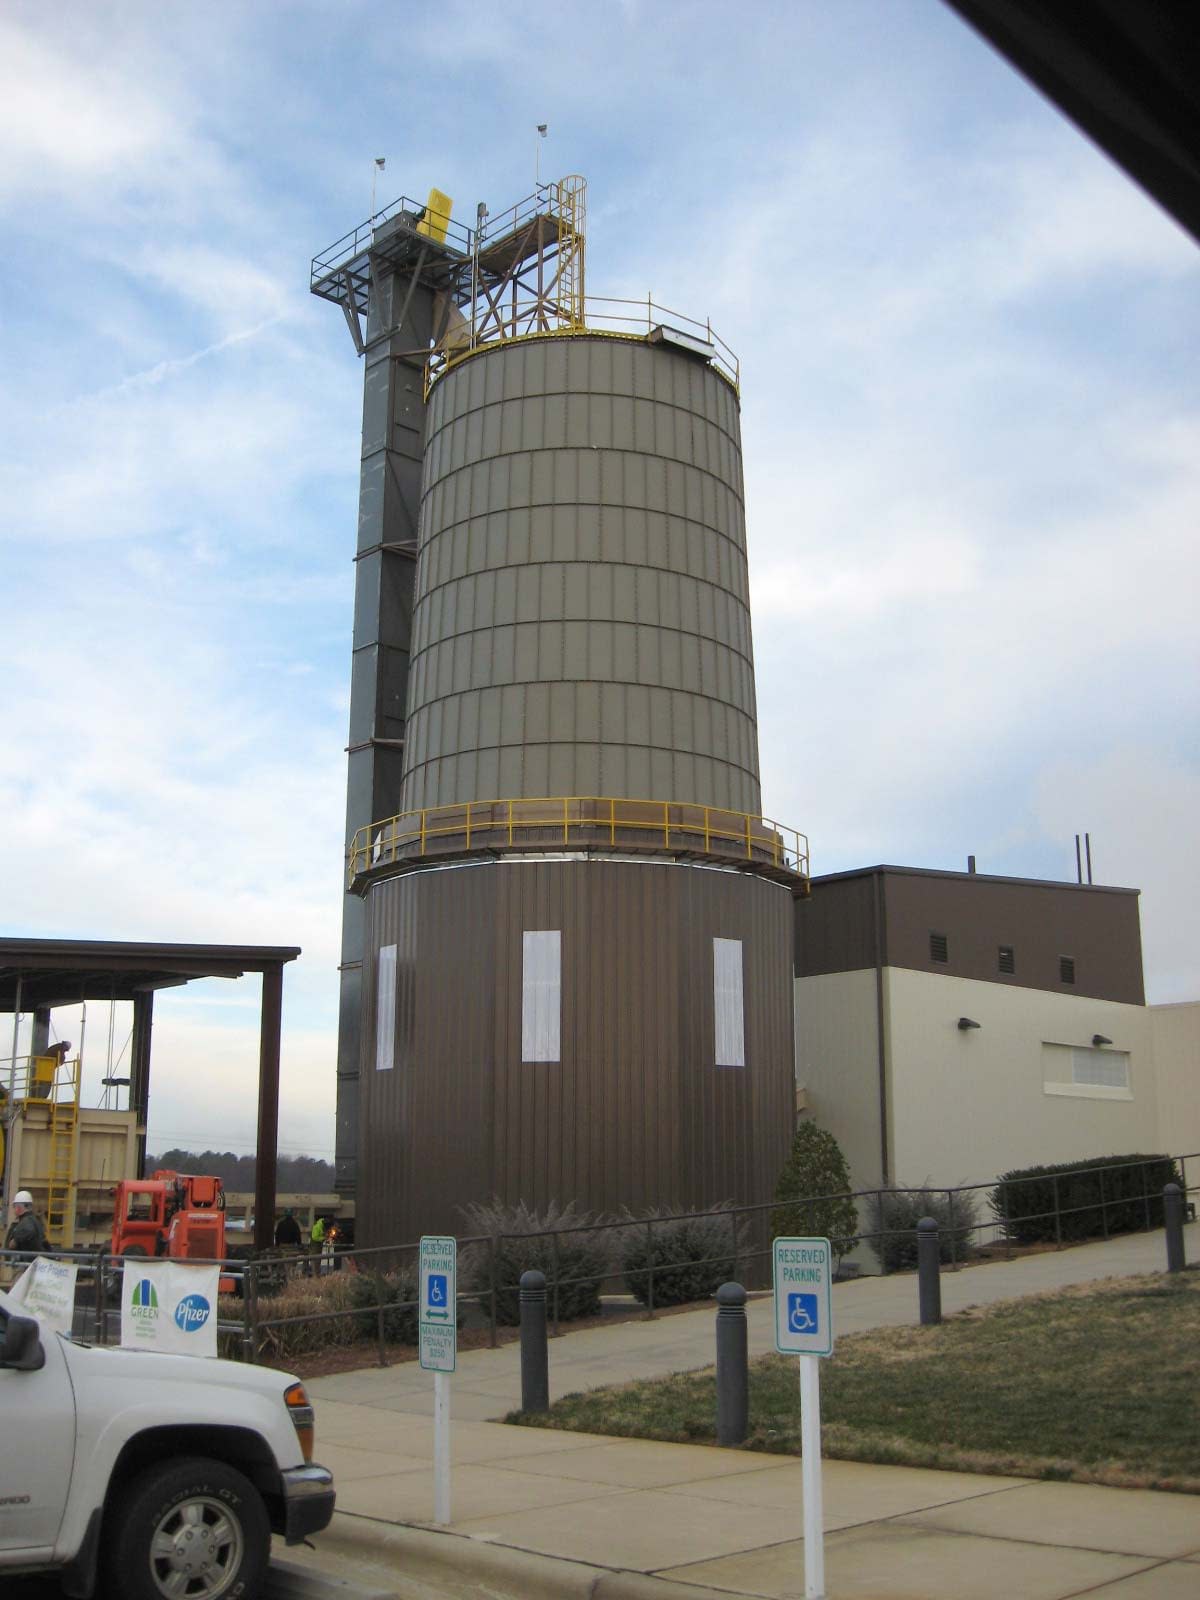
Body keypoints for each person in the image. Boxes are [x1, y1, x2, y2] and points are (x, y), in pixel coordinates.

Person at [5, 1191, 48, 1260]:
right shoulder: (35, 1220)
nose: (14, 1209)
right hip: (36, 1261)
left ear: (18, 1208)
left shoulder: (25, 1223)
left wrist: (15, 1241)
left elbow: (12, 1245)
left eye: (14, 1206)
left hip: (27, 1263)